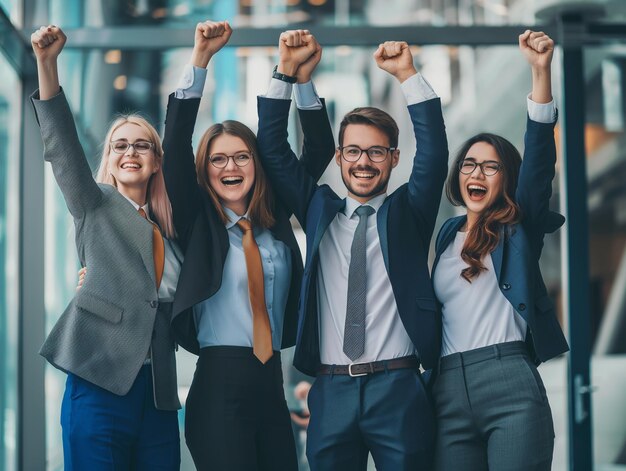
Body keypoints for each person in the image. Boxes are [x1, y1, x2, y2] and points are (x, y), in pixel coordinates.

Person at [257, 39, 448, 470]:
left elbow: (434, 154)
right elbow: (271, 148)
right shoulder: (318, 208)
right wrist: (286, 73)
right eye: (354, 151)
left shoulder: (408, 212)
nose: (364, 162)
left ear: (394, 158)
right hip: (331, 389)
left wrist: (406, 76)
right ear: (340, 157)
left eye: (377, 152)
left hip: (398, 386)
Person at [160, 22, 335, 470]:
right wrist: (200, 59)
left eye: (241, 156)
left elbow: (318, 148)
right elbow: (176, 141)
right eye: (218, 158)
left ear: (257, 166)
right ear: (205, 171)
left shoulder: (275, 223)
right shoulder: (198, 223)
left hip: (272, 382)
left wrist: (300, 80)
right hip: (218, 389)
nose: (230, 166)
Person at [30, 26, 182, 470]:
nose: (130, 152)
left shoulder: (172, 224)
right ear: (109, 158)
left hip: (158, 393)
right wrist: (47, 64)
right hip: (98, 380)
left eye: (141, 145)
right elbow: (62, 149)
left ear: (156, 160)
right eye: (120, 145)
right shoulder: (94, 204)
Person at [431, 30, 569, 470]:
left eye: (491, 166)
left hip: (509, 382)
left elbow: (540, 162)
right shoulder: (446, 234)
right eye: (469, 163)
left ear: (505, 179)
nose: (477, 172)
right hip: (447, 387)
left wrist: (540, 71)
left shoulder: (517, 227)